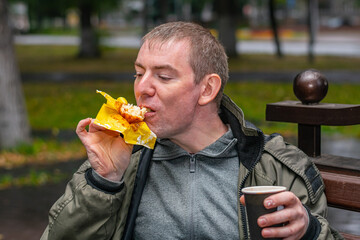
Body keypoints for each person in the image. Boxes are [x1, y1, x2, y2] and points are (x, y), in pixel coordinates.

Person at [41, 21, 343, 240]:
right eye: (138, 73)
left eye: (163, 76)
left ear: (207, 88)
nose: (142, 88)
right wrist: (103, 183)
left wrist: (309, 231)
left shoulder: (277, 168)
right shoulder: (122, 159)